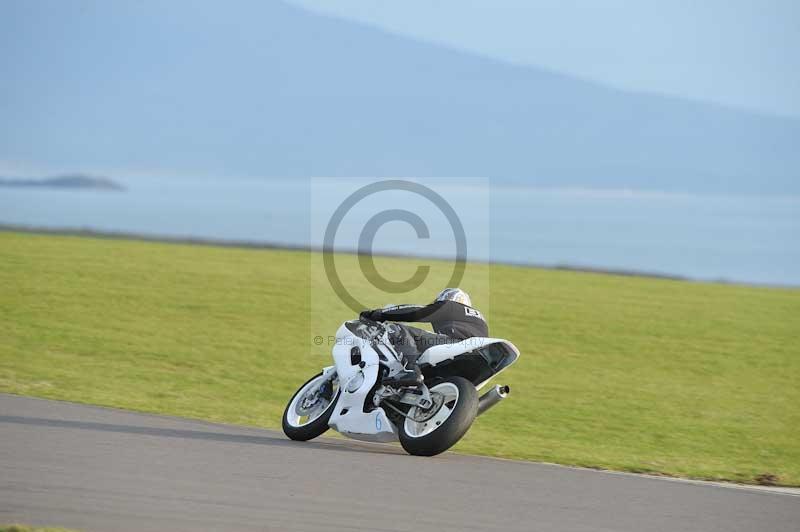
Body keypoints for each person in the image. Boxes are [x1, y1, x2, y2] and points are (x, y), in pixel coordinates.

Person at [360, 288, 488, 386]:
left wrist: (379, 314)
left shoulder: (450, 306)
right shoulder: (480, 319)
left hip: (456, 345)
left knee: (398, 329)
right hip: (477, 363)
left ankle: (410, 370)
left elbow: (415, 312)